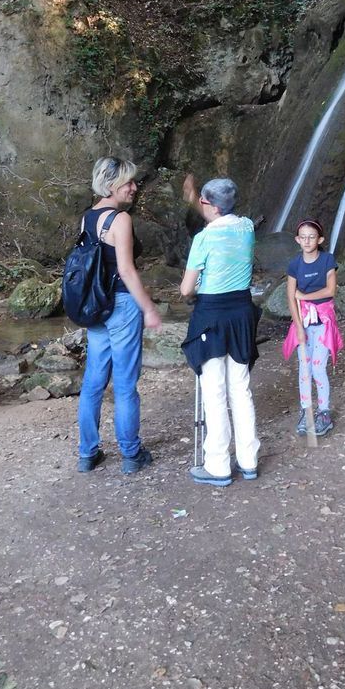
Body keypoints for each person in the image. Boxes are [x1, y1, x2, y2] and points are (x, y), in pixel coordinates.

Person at [77, 157, 162, 475]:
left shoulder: (85, 219)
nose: (134, 187)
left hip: (95, 305)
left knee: (93, 382)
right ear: (111, 185)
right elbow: (125, 270)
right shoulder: (120, 220)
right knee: (125, 384)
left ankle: (87, 453)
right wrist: (149, 308)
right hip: (122, 305)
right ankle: (130, 454)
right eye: (129, 182)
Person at [180, 175, 260, 486]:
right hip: (242, 313)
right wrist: (195, 198)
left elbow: (187, 289)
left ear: (209, 205)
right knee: (240, 388)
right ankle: (249, 459)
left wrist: (191, 285)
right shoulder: (248, 227)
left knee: (214, 390)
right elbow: (217, 216)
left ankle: (218, 465)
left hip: (211, 316)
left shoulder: (203, 239)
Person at [282, 218, 343, 437]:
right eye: (303, 237)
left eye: (312, 237)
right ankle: (306, 411)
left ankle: (324, 412)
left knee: (318, 368)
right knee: (304, 369)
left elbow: (330, 290)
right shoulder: (294, 264)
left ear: (320, 239)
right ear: (298, 240)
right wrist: (298, 328)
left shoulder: (327, 260)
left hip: (324, 323)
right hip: (304, 324)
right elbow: (291, 297)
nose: (307, 241)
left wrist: (305, 296)